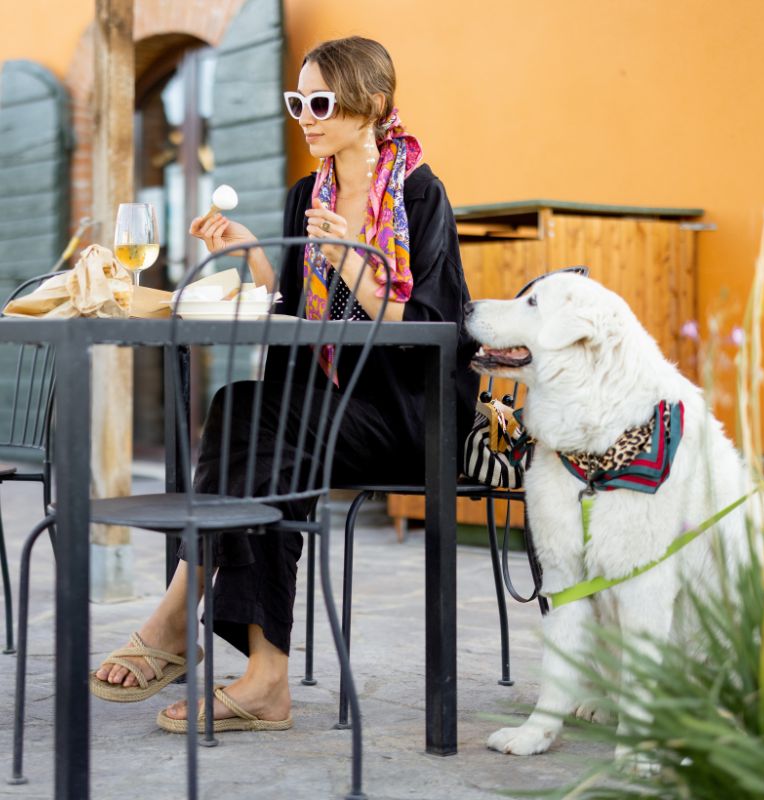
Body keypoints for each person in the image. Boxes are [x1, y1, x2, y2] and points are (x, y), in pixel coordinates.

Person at [91, 36, 478, 730]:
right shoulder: (311, 192)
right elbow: (298, 307)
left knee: (257, 422)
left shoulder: (419, 194)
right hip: (325, 407)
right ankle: (262, 678)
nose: (306, 115)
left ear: (374, 104)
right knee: (248, 419)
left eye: (322, 101)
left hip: (410, 417)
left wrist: (352, 264)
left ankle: (186, 623)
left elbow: (433, 324)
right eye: (297, 101)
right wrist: (254, 256)